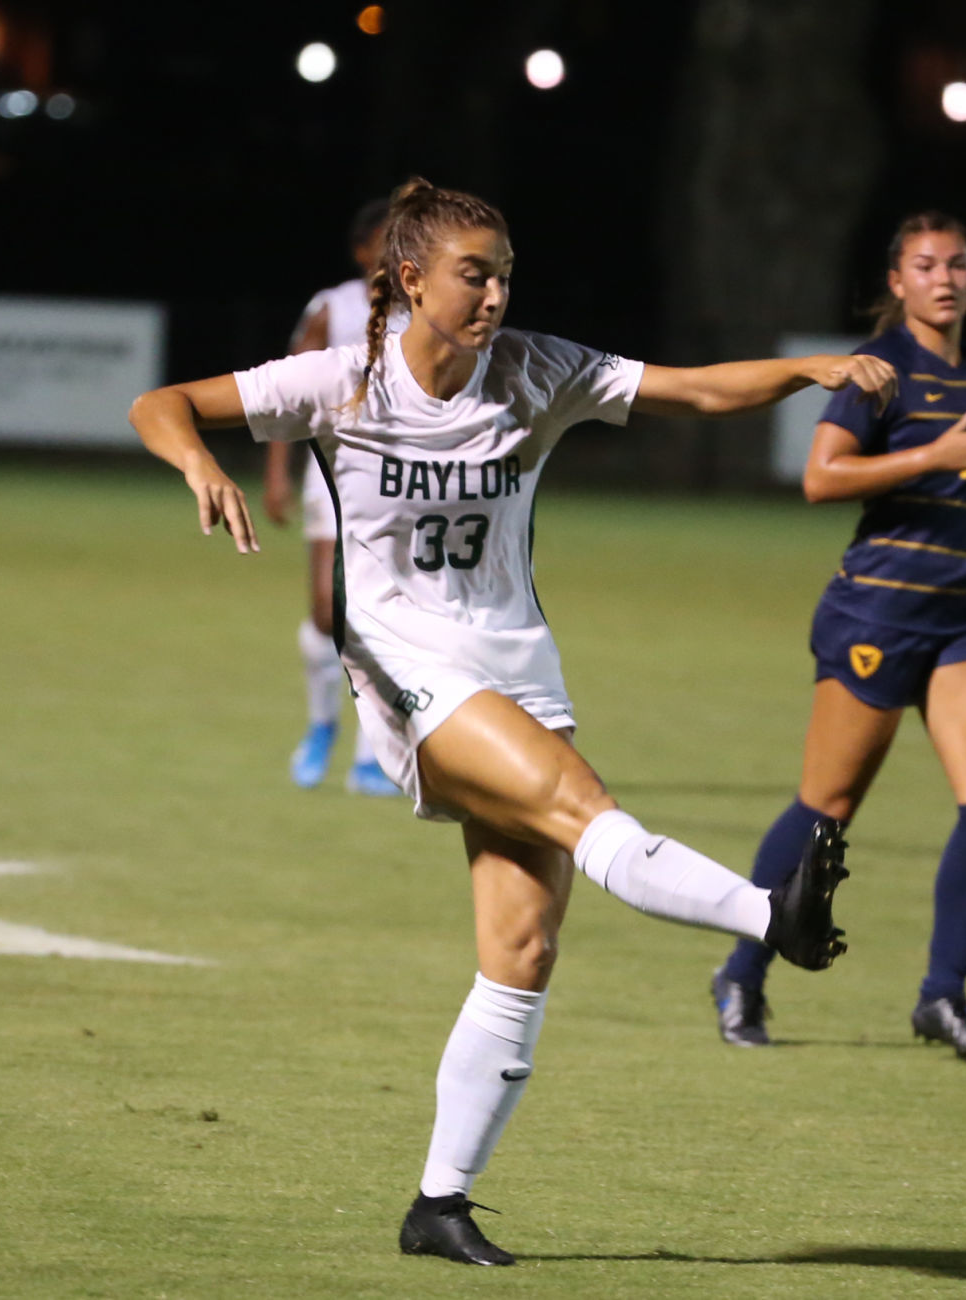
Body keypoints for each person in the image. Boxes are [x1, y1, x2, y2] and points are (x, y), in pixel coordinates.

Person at [128, 177, 900, 1266]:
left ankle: (438, 1205)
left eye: (503, 273)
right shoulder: (340, 380)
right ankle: (773, 918)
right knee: (586, 810)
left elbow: (696, 390)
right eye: (472, 273)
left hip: (516, 667)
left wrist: (804, 368)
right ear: (408, 279)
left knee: (523, 945)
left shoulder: (538, 368)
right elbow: (157, 404)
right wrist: (200, 462)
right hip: (403, 667)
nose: (493, 293)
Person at [710, 210, 966, 1062]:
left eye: (959, 264)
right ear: (896, 283)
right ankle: (742, 973)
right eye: (926, 265)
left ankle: (943, 996)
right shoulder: (878, 371)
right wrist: (926, 459)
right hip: (875, 615)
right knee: (827, 810)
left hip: (959, 612)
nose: (946, 278)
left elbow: (956, 490)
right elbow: (821, 478)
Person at [263, 198, 405, 795]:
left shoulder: (431, 311)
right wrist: (277, 471)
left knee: (387, 613)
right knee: (329, 610)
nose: (394, 257)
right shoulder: (334, 306)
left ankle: (373, 753)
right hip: (334, 466)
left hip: (403, 476)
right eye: (383, 244)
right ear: (361, 251)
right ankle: (322, 724)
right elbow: (287, 393)